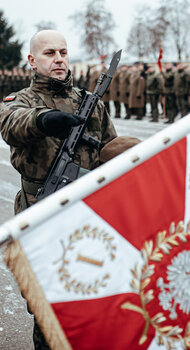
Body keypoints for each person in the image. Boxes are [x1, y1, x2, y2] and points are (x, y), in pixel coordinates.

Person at [0, 29, 118, 349]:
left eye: (63, 52)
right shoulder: (21, 100)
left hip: (86, 212)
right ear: (32, 60)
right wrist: (45, 120)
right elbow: (12, 124)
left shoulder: (87, 102)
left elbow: (110, 148)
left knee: (93, 296)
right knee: (47, 305)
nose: (59, 59)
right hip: (40, 209)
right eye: (50, 53)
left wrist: (136, 154)